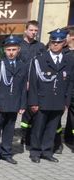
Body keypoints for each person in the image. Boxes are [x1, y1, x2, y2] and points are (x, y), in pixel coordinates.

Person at [27, 29, 73, 163]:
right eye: (53, 42)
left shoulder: (68, 60)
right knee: (38, 128)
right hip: (42, 100)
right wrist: (33, 102)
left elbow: (69, 83)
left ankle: (47, 151)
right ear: (50, 42)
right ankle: (35, 152)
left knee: (52, 128)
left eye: (59, 42)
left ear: (64, 43)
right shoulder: (40, 59)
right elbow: (33, 83)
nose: (55, 45)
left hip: (58, 101)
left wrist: (66, 102)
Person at [0, 35, 28, 164]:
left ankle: (6, 152)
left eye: (14, 49)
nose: (11, 52)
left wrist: (22, 104)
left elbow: (23, 87)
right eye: (9, 49)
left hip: (13, 103)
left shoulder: (22, 66)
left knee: (9, 130)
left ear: (18, 50)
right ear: (4, 50)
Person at [19, 20, 47, 148]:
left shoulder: (40, 46)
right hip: (20, 82)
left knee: (34, 110)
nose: (33, 33)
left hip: (35, 84)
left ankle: (31, 137)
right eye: (31, 30)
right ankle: (23, 136)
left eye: (36, 30)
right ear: (25, 30)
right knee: (23, 110)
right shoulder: (19, 45)